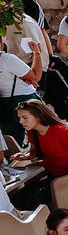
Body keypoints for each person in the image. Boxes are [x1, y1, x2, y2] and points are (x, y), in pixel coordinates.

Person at [0, 15, 47, 146]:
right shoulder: (7, 59)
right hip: (24, 99)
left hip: (4, 103)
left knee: (14, 141)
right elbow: (36, 76)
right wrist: (37, 54)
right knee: (39, 136)